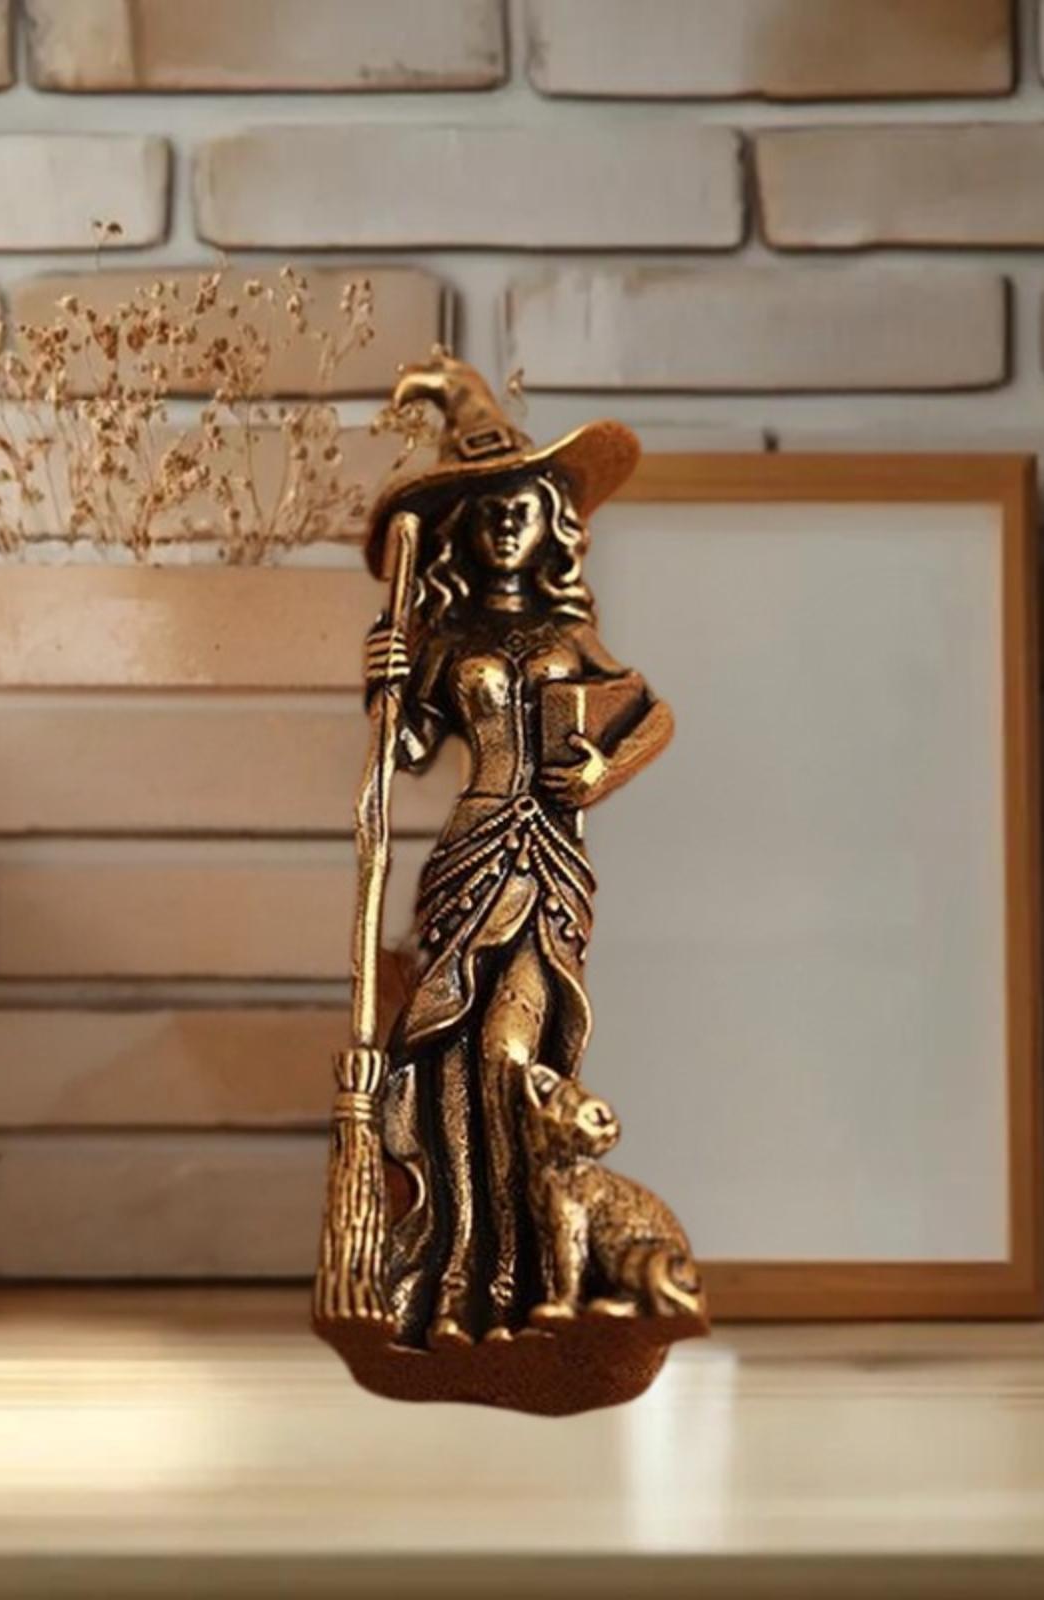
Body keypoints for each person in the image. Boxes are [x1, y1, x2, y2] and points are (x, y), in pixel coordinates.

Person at [360, 355, 674, 1347]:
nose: (504, 521)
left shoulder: (567, 634)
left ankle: (520, 1268)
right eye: (488, 507)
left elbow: (653, 715)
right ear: (463, 525)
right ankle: (459, 1269)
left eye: (523, 505)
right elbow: (408, 753)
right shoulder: (446, 640)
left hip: (544, 862)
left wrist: (601, 772)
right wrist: (388, 681)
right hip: (467, 856)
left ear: (552, 522)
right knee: (450, 1060)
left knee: (511, 1053)